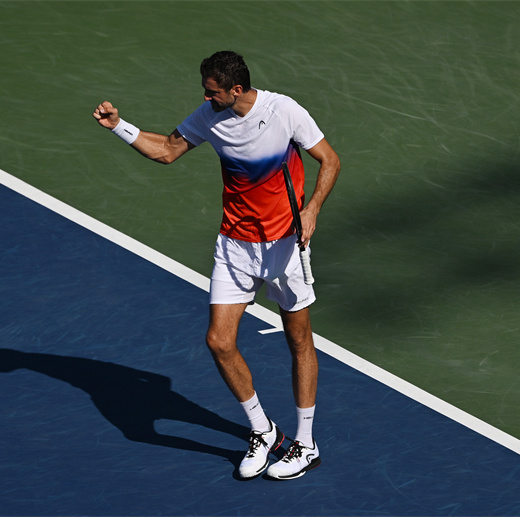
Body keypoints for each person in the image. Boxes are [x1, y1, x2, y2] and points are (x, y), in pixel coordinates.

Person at [93, 50, 340, 480]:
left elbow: (330, 160)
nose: (205, 98)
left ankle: (305, 443)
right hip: (235, 245)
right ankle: (262, 430)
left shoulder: (283, 111)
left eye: (212, 92)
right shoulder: (209, 116)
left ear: (236, 89)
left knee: (299, 340)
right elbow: (167, 151)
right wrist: (119, 126)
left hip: (284, 245)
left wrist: (313, 208)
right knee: (219, 342)